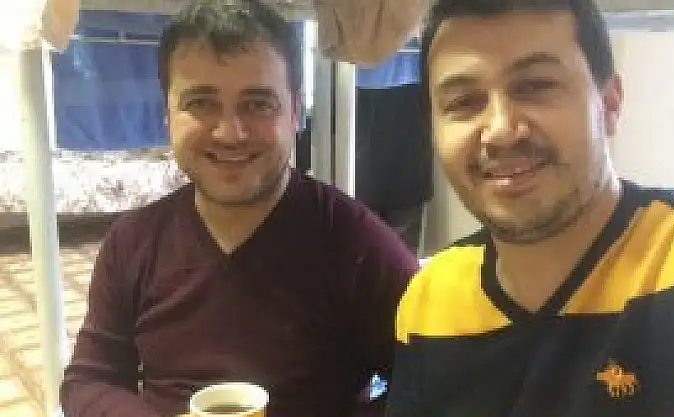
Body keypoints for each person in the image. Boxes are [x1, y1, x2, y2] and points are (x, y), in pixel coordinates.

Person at [60, 1, 417, 416]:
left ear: (295, 112)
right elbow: (89, 381)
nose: (230, 133)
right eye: (201, 103)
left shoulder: (358, 246)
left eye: (258, 104)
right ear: (167, 114)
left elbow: (432, 385)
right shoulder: (132, 243)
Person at [387, 0, 674, 416]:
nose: (501, 131)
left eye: (536, 86)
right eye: (464, 102)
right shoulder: (433, 299)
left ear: (609, 104)